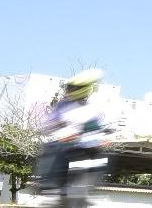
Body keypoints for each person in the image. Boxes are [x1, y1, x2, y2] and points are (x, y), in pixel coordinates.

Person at [35, 70, 111, 208]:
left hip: (88, 148)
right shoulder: (62, 105)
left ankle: (89, 190)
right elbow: (49, 123)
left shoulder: (93, 107)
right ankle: (51, 189)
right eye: (69, 88)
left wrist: (102, 137)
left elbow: (96, 127)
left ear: (84, 89)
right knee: (52, 148)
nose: (69, 91)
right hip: (65, 146)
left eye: (73, 88)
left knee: (103, 158)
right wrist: (58, 127)